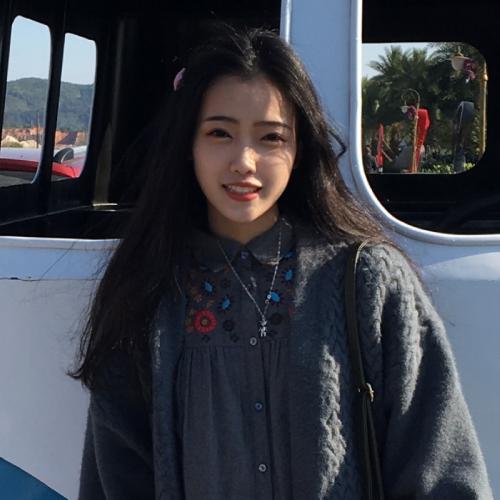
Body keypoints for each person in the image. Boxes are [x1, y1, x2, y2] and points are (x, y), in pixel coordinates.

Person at [72, 25, 492, 499]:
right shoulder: (147, 288)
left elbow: (443, 472)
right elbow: (113, 478)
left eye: (271, 137)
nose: (244, 161)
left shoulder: (367, 282)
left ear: (299, 149)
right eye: (219, 133)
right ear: (188, 145)